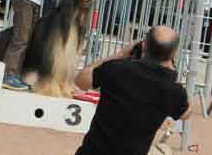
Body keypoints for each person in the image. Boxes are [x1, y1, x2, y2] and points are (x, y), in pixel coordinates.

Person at [74, 26, 192, 155]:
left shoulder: (116, 69)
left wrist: (119, 55)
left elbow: (80, 80)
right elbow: (186, 114)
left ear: (143, 46)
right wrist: (171, 72)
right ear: (173, 54)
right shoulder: (174, 91)